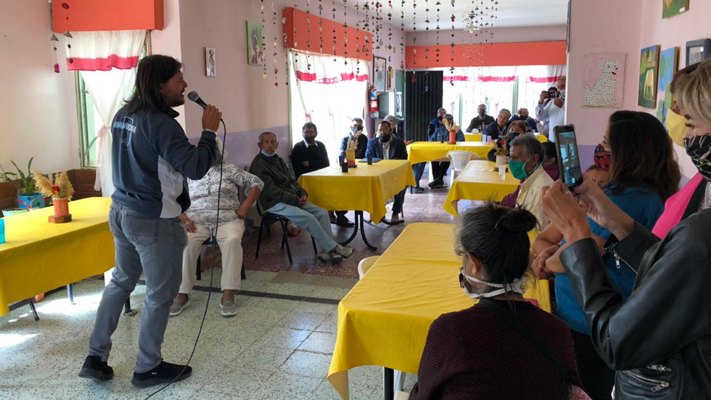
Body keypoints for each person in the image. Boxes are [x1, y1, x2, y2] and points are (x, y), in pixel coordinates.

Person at [79, 55, 220, 387]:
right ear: (159, 85)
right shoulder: (162, 124)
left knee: (120, 283)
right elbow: (196, 168)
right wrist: (209, 132)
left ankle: (96, 356)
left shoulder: (123, 114)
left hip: (122, 212)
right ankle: (147, 366)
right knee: (160, 293)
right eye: (177, 81)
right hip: (154, 221)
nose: (185, 86)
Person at [532, 111, 680, 400]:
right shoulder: (634, 191)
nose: (599, 149)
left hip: (590, 320)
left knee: (586, 388)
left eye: (606, 142)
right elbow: (573, 241)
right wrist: (553, 250)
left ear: (628, 151)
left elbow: (584, 247)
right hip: (592, 314)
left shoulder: (628, 198)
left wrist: (545, 263)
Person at [410, 203, 582, 400]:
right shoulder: (557, 330)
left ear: (474, 263)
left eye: (462, 256)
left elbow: (423, 395)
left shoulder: (450, 331)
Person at [170, 138, 263, 318]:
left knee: (232, 240)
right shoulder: (191, 172)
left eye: (215, 151)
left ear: (221, 153)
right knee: (185, 242)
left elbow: (257, 183)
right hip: (195, 221)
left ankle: (228, 294)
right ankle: (182, 294)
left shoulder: (230, 170)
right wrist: (183, 217)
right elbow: (172, 195)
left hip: (228, 220)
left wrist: (244, 207)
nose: (211, 155)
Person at [249, 132, 355, 264]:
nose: (270, 145)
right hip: (274, 203)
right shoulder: (258, 165)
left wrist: (302, 193)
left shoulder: (279, 160)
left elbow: (292, 181)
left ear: (277, 144)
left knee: (322, 213)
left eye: (273, 142)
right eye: (267, 142)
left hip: (291, 199)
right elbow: (271, 191)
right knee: (309, 218)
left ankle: (326, 251)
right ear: (260, 145)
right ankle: (334, 248)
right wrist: (295, 200)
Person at [294, 122, 353, 227]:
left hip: (322, 176)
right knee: (327, 190)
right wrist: (316, 164)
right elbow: (299, 167)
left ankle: (340, 216)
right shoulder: (298, 147)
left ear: (316, 133)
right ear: (302, 133)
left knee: (339, 187)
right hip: (307, 180)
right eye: (306, 132)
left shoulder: (320, 145)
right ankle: (329, 213)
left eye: (311, 132)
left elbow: (326, 163)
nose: (309, 134)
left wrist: (310, 163)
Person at [506, 135, 554, 229]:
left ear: (534, 159)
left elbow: (535, 233)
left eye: (515, 158)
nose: (511, 162)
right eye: (510, 157)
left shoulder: (540, 190)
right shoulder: (529, 179)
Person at [365, 121, 408, 223]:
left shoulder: (399, 142)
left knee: (402, 185)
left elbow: (404, 157)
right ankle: (379, 212)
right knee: (371, 184)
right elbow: (368, 157)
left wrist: (390, 163)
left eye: (385, 129)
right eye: (380, 129)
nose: (382, 131)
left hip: (394, 173)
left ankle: (395, 212)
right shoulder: (372, 142)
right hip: (378, 173)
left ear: (390, 130)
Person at [428, 114, 465, 189]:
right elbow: (431, 140)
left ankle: (438, 180)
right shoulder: (439, 130)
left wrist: (454, 139)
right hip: (439, 151)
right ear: (443, 121)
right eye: (445, 120)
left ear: (452, 120)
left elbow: (462, 140)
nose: (447, 121)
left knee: (446, 159)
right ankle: (437, 179)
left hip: (451, 152)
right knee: (433, 159)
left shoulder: (457, 130)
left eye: (449, 119)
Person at [537, 76, 567, 141]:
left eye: (563, 86)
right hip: (552, 139)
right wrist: (540, 102)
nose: (560, 89)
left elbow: (576, 118)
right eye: (558, 87)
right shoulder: (552, 102)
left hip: (566, 140)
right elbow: (540, 117)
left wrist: (563, 106)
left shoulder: (574, 101)